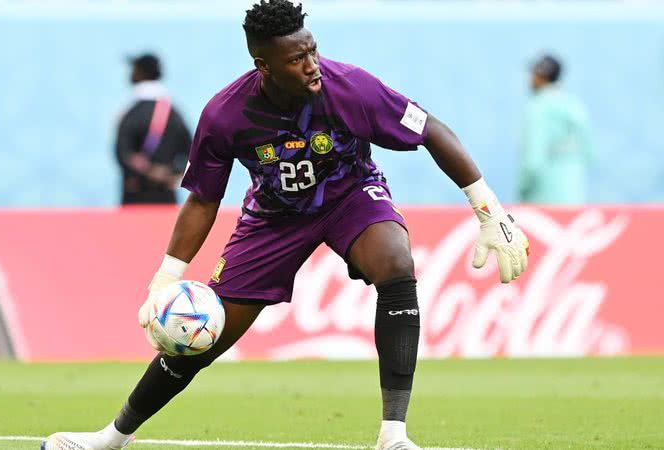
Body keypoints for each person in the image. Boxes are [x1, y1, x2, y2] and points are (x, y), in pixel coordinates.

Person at [43, 1, 529, 449]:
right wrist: (166, 277)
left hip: (350, 195)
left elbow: (432, 130)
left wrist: (488, 211)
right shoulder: (225, 114)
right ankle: (110, 439)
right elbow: (202, 200)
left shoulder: (352, 87)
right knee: (201, 335)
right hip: (273, 218)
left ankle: (394, 435)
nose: (312, 63)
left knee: (396, 264)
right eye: (297, 58)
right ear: (264, 66)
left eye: (312, 50)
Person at [115, 53, 192, 205]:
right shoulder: (173, 113)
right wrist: (173, 173)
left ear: (140, 73)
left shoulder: (131, 113)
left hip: (135, 196)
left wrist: (145, 173)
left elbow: (121, 152)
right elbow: (192, 149)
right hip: (166, 195)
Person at [519, 54, 593, 204]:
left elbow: (533, 160)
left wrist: (523, 191)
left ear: (539, 76)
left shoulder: (538, 107)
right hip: (574, 197)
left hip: (543, 199)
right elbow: (589, 153)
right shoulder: (574, 105)